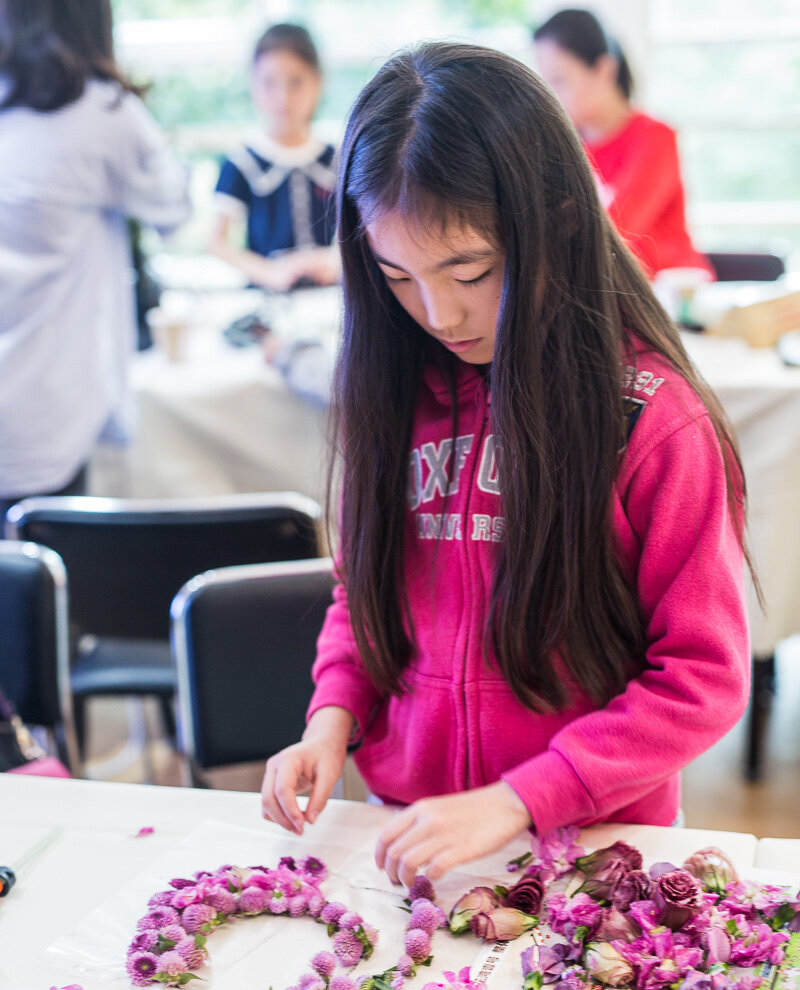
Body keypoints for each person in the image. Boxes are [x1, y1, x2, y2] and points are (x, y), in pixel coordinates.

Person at [260, 43, 751, 888]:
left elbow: (702, 678)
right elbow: (367, 588)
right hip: (413, 843)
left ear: (556, 221)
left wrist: (523, 798)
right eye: (397, 278)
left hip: (597, 852)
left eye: (470, 271)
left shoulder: (650, 418)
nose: (439, 313)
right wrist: (330, 720)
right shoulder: (396, 388)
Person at [0, 0, 190, 520]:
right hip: (44, 411)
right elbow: (173, 206)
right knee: (45, 588)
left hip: (24, 408)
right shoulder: (102, 112)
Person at [533, 9, 713, 280]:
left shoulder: (654, 137)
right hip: (606, 288)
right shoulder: (565, 148)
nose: (550, 98)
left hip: (669, 291)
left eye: (559, 81)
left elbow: (619, 228)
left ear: (604, 69)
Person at [208, 23, 338, 292]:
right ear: (252, 83)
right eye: (269, 82)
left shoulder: (340, 159)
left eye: (296, 82)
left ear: (318, 83)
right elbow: (216, 242)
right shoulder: (242, 163)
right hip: (268, 301)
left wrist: (335, 259)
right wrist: (268, 272)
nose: (283, 97)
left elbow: (367, 228)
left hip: (333, 297)